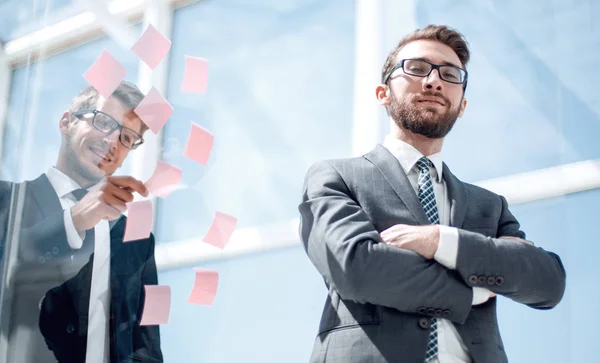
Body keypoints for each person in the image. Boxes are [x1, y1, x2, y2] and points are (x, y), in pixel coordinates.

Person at [298, 25, 566, 363]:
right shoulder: (336, 177)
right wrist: (470, 291)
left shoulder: (490, 206)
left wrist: (442, 241)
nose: (434, 81)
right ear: (383, 92)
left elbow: (548, 282)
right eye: (417, 68)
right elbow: (356, 267)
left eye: (450, 74)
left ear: (462, 105)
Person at [0, 82, 163, 363]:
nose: (112, 141)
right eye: (103, 122)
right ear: (66, 122)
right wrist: (73, 222)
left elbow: (147, 347)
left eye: (126, 138)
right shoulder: (7, 200)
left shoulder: (138, 239)